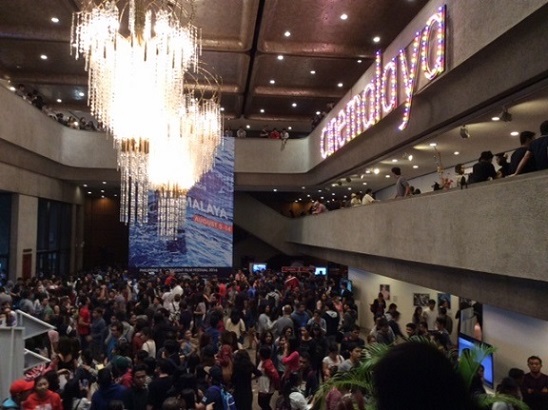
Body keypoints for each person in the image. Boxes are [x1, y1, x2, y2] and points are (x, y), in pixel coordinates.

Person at [257, 346, 280, 410]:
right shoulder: (263, 361)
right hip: (264, 387)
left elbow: (275, 376)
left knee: (262, 403)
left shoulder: (267, 365)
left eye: (259, 352)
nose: (258, 353)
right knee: (263, 403)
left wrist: (277, 386)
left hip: (267, 389)